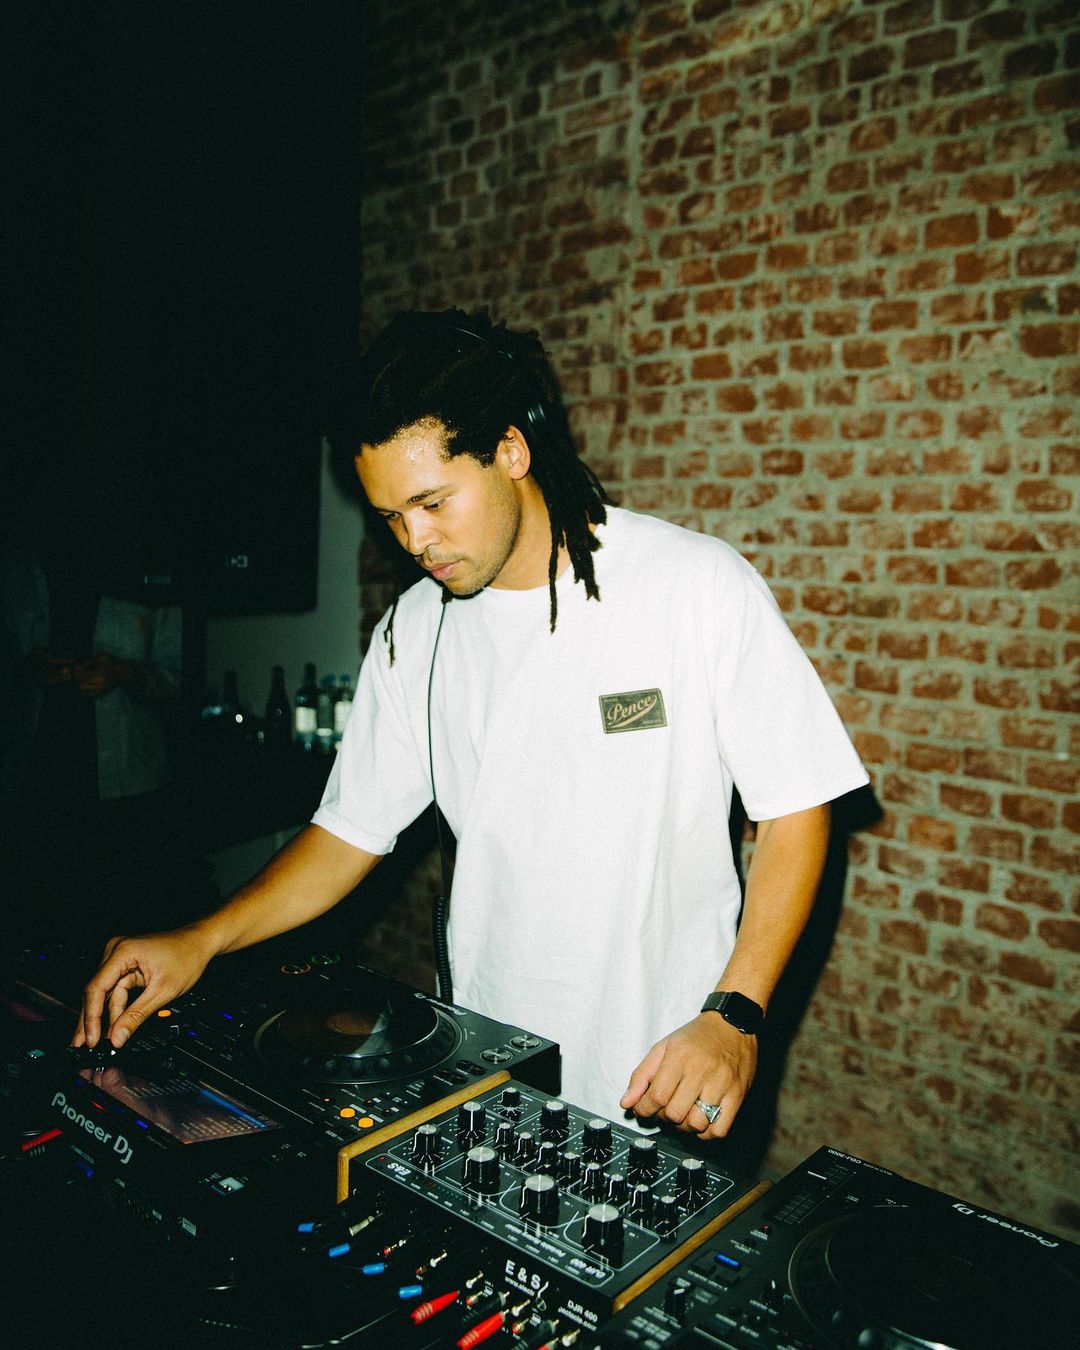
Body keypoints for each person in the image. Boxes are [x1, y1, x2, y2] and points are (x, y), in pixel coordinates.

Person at [75, 309, 868, 1143]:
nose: (416, 540)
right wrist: (201, 939)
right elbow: (348, 833)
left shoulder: (692, 585)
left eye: (432, 502)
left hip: (670, 1072)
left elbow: (797, 807)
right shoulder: (414, 630)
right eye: (390, 516)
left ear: (511, 452)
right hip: (488, 1071)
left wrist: (735, 1016)